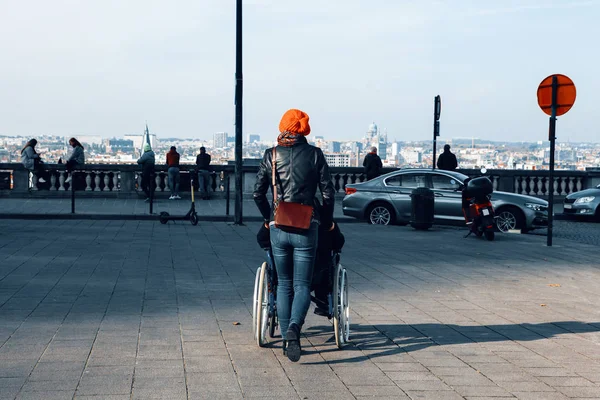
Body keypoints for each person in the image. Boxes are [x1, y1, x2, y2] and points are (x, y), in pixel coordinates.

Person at [254, 108, 335, 362]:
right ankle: (293, 331)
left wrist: (269, 218)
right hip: (306, 225)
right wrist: (327, 221)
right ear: (303, 130)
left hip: (278, 225)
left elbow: (257, 193)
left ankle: (289, 333)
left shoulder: (271, 155)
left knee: (284, 283)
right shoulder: (315, 155)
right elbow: (328, 194)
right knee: (302, 284)